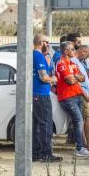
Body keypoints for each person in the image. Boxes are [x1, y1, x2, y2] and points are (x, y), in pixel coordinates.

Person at [54, 41, 89, 158]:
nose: (74, 51)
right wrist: (76, 77)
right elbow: (70, 80)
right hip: (67, 97)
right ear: (66, 51)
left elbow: (82, 76)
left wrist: (75, 77)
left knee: (79, 121)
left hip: (76, 95)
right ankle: (80, 148)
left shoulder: (72, 63)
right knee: (79, 121)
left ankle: (81, 147)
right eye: (72, 49)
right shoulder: (61, 63)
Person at [32, 34, 60, 162]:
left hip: (37, 93)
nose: (48, 45)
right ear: (41, 43)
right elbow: (43, 77)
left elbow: (48, 70)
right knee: (45, 123)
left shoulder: (41, 56)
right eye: (46, 42)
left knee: (38, 124)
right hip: (41, 94)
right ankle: (46, 153)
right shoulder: (37, 55)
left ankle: (36, 152)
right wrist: (53, 79)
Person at [74, 44, 89, 151]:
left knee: (86, 117)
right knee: (88, 117)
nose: (87, 55)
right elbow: (75, 81)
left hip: (86, 92)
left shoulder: (80, 62)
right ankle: (88, 143)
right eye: (86, 52)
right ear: (81, 51)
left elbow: (87, 74)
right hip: (81, 94)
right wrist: (84, 93)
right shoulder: (74, 62)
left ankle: (87, 143)